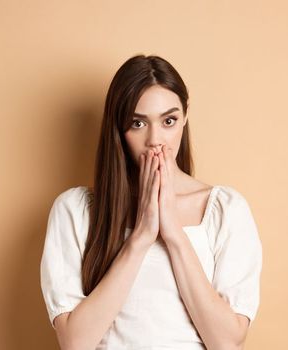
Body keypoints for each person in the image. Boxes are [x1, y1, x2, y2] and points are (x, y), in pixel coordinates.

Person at [40, 54, 262, 349]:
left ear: (184, 119)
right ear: (118, 130)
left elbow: (227, 343)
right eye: (138, 123)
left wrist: (173, 234)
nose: (156, 139)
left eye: (168, 120)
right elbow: (75, 343)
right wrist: (142, 236)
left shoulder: (225, 209)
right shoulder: (75, 210)